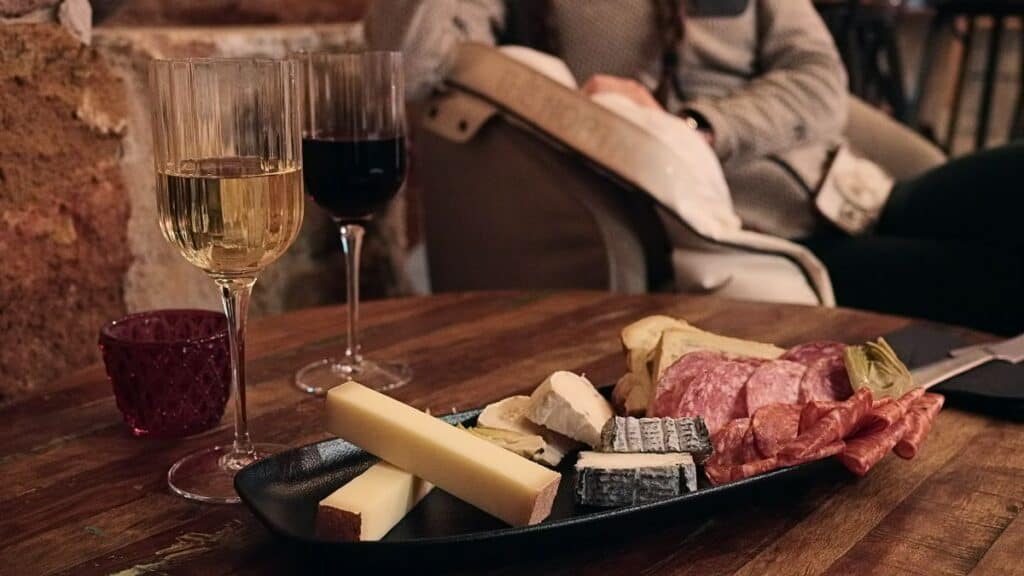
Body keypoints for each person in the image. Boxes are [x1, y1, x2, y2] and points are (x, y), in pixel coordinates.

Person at [366, 0, 1023, 336]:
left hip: (859, 191)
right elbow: (415, 65)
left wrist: (701, 128)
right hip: (750, 247)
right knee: (995, 276)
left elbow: (821, 82)